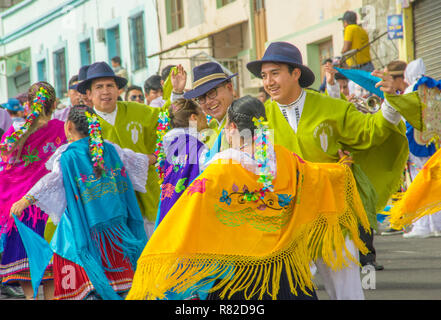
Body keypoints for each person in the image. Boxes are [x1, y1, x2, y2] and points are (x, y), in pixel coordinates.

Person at [126, 96, 370, 301]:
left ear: (231, 128)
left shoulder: (219, 171)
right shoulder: (285, 160)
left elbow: (185, 216)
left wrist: (156, 253)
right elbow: (318, 176)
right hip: (285, 273)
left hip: (238, 277)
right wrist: (342, 168)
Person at [245, 41, 425, 299]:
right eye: (264, 76)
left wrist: (391, 103)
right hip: (288, 226)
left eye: (275, 73)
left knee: (347, 293)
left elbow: (370, 131)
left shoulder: (331, 107)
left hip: (333, 220)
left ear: (296, 73)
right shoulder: (262, 119)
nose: (268, 81)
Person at [10, 105, 151, 300]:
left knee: (87, 285)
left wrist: (25, 200)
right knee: (123, 284)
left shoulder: (67, 155)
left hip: (84, 230)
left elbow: (52, 181)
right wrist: (161, 156)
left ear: (68, 126)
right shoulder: (109, 148)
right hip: (118, 229)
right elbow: (138, 160)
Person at [77, 61, 161, 239]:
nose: (105, 91)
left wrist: (156, 155)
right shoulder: (83, 124)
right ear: (89, 94)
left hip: (149, 198)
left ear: (118, 90)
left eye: (110, 85)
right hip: (113, 206)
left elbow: (166, 124)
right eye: (99, 87)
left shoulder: (139, 111)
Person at [0, 82, 67, 300]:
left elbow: (5, 163)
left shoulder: (16, 131)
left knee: (26, 260)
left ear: (27, 105)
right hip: (51, 205)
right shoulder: (63, 128)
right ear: (55, 104)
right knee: (51, 259)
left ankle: (30, 298)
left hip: (18, 204)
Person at [154, 98, 209, 228]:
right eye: (202, 112)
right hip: (187, 212)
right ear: (194, 118)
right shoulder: (196, 146)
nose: (205, 116)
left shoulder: (171, 145)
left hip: (169, 206)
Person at [171, 63, 237, 150]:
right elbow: (180, 119)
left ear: (229, 88)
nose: (208, 102)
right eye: (201, 98)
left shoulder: (243, 117)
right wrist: (177, 92)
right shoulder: (211, 125)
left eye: (212, 92)